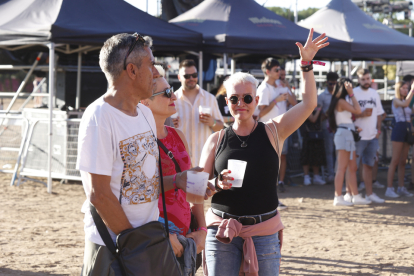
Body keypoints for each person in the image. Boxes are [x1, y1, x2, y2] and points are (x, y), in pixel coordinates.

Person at [76, 33, 209, 275]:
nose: (156, 69)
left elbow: (143, 183)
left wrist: (178, 181)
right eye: (150, 63)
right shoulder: (99, 117)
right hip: (113, 246)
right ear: (132, 70)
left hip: (147, 241)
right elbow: (99, 195)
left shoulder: (145, 114)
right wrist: (136, 243)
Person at [200, 29, 329, 276]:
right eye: (234, 98)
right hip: (222, 230)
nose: (241, 104)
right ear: (226, 102)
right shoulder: (216, 140)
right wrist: (215, 183)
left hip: (264, 231)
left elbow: (309, 104)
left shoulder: (273, 131)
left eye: (247, 98)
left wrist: (306, 64)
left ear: (256, 100)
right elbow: (197, 188)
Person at [326, 78, 371, 206]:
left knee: (352, 167)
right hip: (344, 135)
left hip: (347, 133)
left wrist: (353, 127)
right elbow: (357, 110)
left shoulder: (340, 101)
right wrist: (352, 94)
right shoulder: (341, 101)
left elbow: (347, 118)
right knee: (342, 168)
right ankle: (338, 197)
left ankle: (355, 195)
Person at [257, 58, 298, 193]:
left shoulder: (279, 85)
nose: (279, 72)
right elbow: (261, 112)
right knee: (269, 159)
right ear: (268, 72)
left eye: (280, 69)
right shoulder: (263, 88)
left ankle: (279, 183)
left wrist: (286, 87)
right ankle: (268, 187)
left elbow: (295, 103)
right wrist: (276, 100)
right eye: (276, 70)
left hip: (281, 128)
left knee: (281, 157)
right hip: (268, 129)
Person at [173, 59, 224, 166]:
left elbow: (221, 127)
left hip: (204, 159)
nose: (191, 78)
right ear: (179, 77)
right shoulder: (172, 100)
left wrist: (212, 122)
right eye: (187, 76)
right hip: (179, 159)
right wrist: (169, 124)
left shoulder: (210, 98)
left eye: (194, 75)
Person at [353, 68, 386, 203]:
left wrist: (378, 130)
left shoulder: (374, 93)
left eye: (368, 79)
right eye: (363, 79)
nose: (366, 81)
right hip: (358, 135)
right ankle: (352, 194)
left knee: (369, 165)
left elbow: (379, 113)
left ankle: (369, 193)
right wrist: (361, 114)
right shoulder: (353, 93)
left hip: (372, 136)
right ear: (358, 80)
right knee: (352, 166)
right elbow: (348, 114)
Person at [385, 81, 414, 198]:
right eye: (403, 88)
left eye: (407, 88)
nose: (406, 90)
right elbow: (407, 104)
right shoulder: (395, 100)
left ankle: (401, 187)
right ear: (398, 89)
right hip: (399, 128)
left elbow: (410, 112)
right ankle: (389, 188)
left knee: (403, 161)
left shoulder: (404, 101)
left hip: (407, 129)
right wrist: (413, 90)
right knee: (395, 160)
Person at [318, 72, 339, 183]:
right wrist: (327, 114)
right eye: (331, 84)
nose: (332, 86)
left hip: (339, 126)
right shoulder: (321, 96)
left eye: (335, 84)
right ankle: (331, 174)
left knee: (339, 151)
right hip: (327, 127)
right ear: (327, 83)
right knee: (329, 151)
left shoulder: (339, 94)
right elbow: (318, 117)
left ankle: (338, 174)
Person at [301, 105, 326, 185]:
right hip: (308, 135)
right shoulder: (306, 106)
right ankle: (306, 176)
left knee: (317, 155)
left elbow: (320, 119)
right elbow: (313, 119)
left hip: (317, 133)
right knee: (306, 155)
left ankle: (316, 176)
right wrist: (319, 109)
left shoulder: (317, 106)